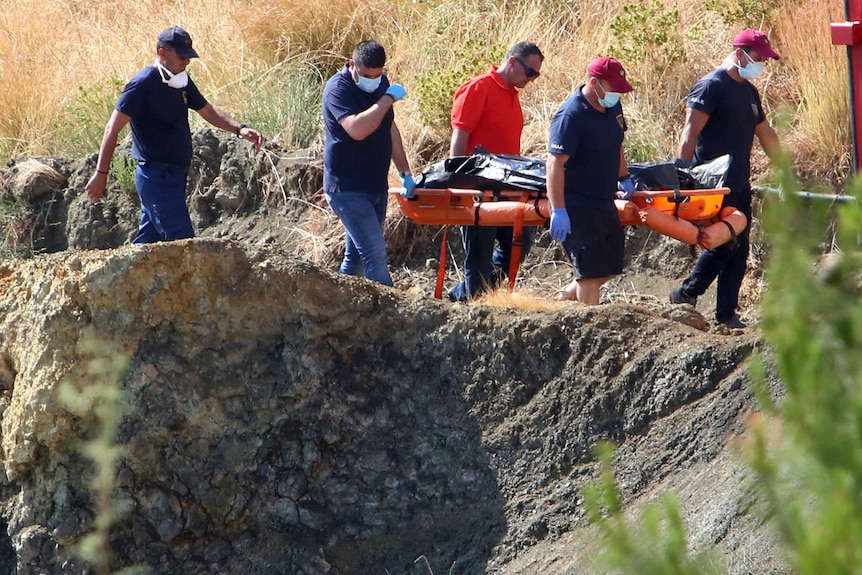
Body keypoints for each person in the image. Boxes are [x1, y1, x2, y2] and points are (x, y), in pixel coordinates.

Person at [85, 26, 263, 244]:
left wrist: (239, 128)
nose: (186, 62)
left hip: (175, 177)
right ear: (162, 53)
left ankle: (123, 278)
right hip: (155, 177)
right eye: (181, 56)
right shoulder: (143, 83)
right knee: (184, 244)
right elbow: (111, 128)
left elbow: (207, 110)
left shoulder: (181, 81)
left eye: (188, 57)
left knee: (147, 247)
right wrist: (101, 173)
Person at [669, 29, 782, 329]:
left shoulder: (748, 92)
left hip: (739, 182)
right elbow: (689, 132)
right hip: (712, 184)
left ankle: (726, 313)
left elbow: (766, 133)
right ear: (741, 53)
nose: (762, 64)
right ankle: (687, 294)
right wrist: (683, 177)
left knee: (739, 247)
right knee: (725, 243)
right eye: (758, 58)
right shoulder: (711, 86)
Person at [446, 42, 544, 302]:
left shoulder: (511, 94)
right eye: (530, 72)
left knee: (519, 246)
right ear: (512, 62)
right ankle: (474, 302)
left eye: (536, 74)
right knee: (479, 255)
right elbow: (460, 136)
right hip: (480, 188)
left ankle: (463, 294)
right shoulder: (479, 88)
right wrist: (460, 182)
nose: (531, 79)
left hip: (508, 187)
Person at [322, 40, 414, 287]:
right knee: (374, 255)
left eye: (378, 74)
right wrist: (386, 99)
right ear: (352, 65)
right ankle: (392, 314)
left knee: (356, 261)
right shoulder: (337, 89)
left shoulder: (381, 84)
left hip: (375, 186)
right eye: (365, 75)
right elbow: (357, 129)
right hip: (347, 188)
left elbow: (389, 128)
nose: (372, 80)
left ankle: (339, 309)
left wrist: (404, 172)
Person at [546, 57, 636, 305]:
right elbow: (555, 164)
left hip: (603, 199)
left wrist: (624, 177)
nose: (616, 94)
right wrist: (559, 210)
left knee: (608, 268)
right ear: (595, 83)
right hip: (577, 203)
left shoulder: (612, 108)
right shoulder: (570, 116)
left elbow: (617, 144)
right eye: (613, 88)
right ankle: (589, 329)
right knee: (590, 275)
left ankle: (565, 298)